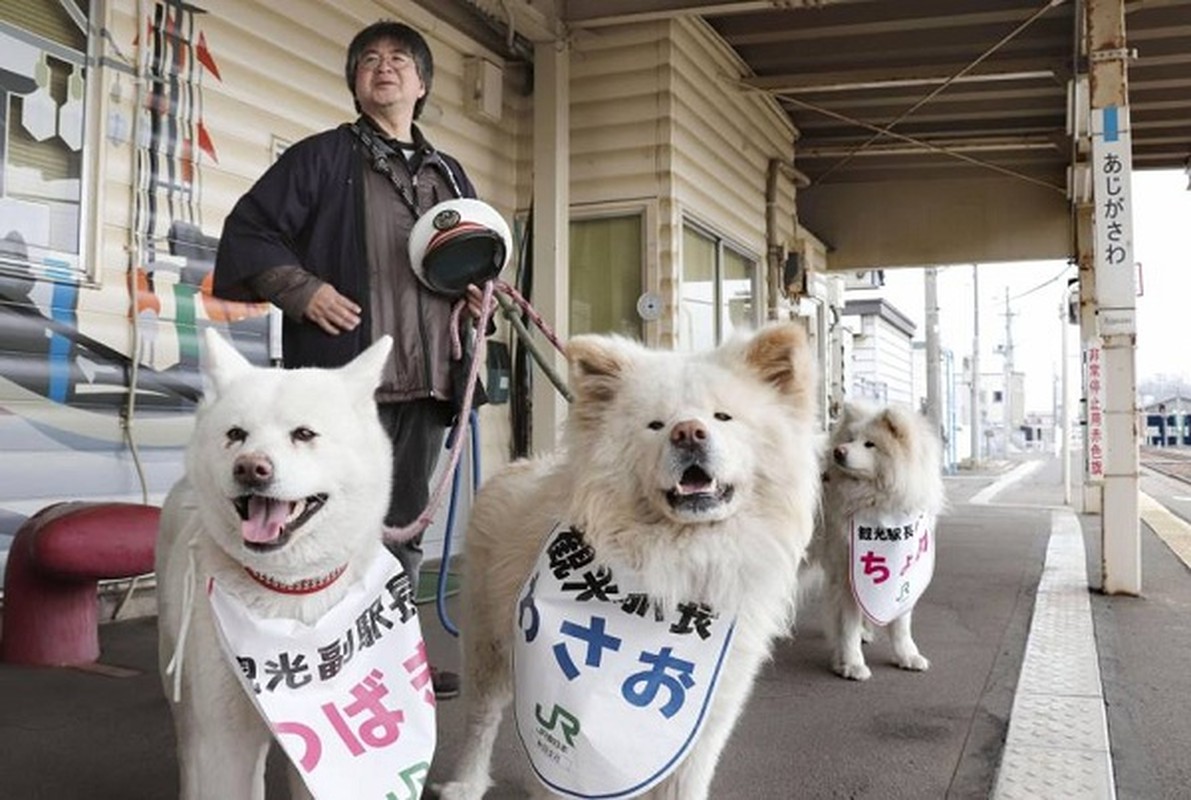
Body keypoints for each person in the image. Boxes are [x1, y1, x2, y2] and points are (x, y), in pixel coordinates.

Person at [212, 20, 488, 700]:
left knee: (401, 526)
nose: (383, 67)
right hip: (341, 393)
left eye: (399, 59)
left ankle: (395, 662)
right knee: (326, 526)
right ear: (356, 82)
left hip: (425, 384)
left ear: (421, 84)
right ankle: (324, 661)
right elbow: (249, 232)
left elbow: (475, 256)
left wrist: (478, 296)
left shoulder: (449, 175)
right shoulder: (318, 159)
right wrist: (302, 291)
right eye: (369, 59)